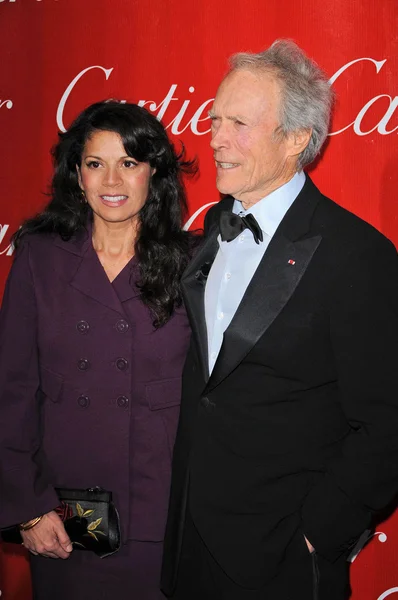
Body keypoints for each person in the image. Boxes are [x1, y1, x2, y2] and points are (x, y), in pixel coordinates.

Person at [161, 40, 398, 600]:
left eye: (237, 123)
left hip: (283, 558)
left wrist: (320, 532)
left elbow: (389, 420)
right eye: (214, 119)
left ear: (295, 140)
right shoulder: (209, 233)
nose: (214, 138)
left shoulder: (357, 255)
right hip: (190, 547)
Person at [0, 100, 197, 600]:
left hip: (160, 512)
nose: (112, 180)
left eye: (128, 163)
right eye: (95, 163)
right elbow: (12, 391)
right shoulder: (39, 258)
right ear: (78, 175)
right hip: (64, 515)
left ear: (153, 173)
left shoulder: (191, 263)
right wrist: (27, 505)